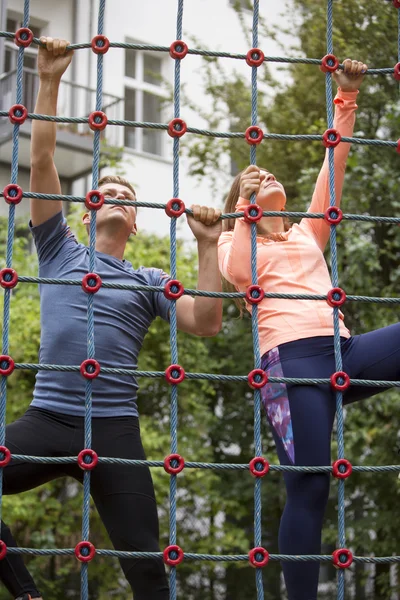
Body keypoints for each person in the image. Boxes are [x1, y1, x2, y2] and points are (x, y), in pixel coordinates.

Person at [0, 38, 223, 600]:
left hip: (115, 430)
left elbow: (205, 322)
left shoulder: (148, 280)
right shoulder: (59, 250)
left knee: (148, 568)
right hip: (49, 420)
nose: (119, 195)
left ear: (137, 221)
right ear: (85, 207)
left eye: (128, 193)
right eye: (108, 189)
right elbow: (43, 159)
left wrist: (208, 245)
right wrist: (49, 79)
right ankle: (26, 592)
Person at [218, 59, 400, 600]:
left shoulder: (306, 232)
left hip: (342, 352)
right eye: (257, 178)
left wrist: (346, 97)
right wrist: (239, 209)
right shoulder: (237, 242)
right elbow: (236, 271)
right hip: (290, 365)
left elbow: (333, 168)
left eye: (272, 174)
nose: (268, 176)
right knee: (311, 484)